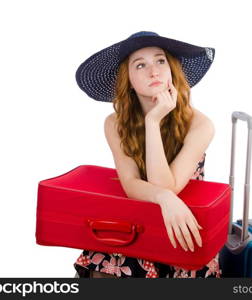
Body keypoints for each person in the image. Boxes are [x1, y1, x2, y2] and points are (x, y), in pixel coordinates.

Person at [73, 31, 220, 278]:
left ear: (172, 69)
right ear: (128, 79)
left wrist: (153, 122)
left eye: (160, 61)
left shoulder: (200, 124)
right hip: (136, 223)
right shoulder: (114, 123)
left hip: (181, 227)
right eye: (140, 65)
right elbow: (131, 183)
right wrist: (163, 197)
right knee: (102, 267)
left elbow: (166, 185)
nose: (154, 71)